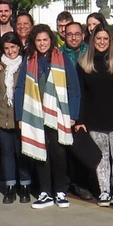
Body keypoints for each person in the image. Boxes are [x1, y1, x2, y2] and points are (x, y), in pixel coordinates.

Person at [13, 25, 81, 208]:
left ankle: (60, 191)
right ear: (34, 42)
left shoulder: (62, 58)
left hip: (58, 112)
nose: (42, 43)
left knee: (58, 152)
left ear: (51, 40)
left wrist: (73, 114)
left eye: (45, 40)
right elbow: (20, 88)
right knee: (39, 151)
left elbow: (74, 87)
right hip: (35, 112)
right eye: (38, 40)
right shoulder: (29, 60)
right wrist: (19, 116)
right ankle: (45, 192)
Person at [77, 27, 113, 206]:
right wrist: (80, 120)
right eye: (98, 39)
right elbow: (81, 94)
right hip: (94, 119)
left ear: (110, 41)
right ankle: (104, 191)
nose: (102, 42)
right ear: (92, 41)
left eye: (105, 39)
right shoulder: (83, 62)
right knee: (101, 157)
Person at [0, 33, 31, 204]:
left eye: (14, 47)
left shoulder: (25, 65)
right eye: (7, 48)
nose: (11, 51)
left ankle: (25, 185)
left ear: (19, 47)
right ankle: (10, 186)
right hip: (0, 117)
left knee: (21, 153)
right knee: (7, 153)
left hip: (20, 117)